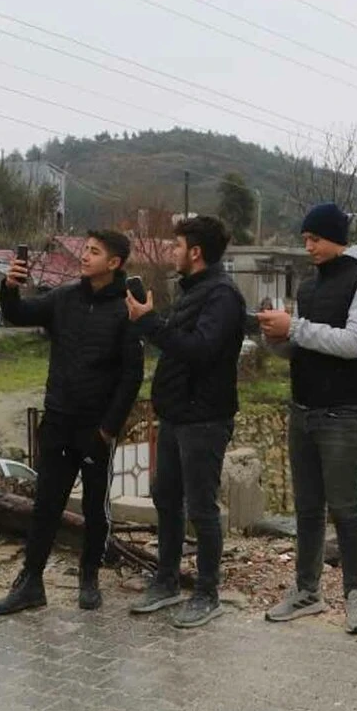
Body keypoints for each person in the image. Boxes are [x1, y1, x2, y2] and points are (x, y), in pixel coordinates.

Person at [0, 230, 143, 617]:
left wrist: (108, 429)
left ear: (115, 263)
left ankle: (89, 576)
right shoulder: (64, 298)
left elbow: (132, 376)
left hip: (95, 428)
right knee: (46, 504)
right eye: (86, 250)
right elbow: (18, 314)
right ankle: (31, 582)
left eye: (94, 252)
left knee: (95, 506)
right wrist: (10, 287)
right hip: (58, 419)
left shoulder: (126, 309)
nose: (85, 257)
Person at [256, 202, 357, 635]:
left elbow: (353, 343)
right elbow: (304, 345)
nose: (307, 246)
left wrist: (293, 328)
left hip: (344, 414)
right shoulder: (310, 288)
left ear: (337, 237)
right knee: (308, 509)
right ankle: (307, 591)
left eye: (314, 239)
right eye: (306, 239)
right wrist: (274, 338)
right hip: (303, 409)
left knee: (346, 509)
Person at [125, 216, 246, 628]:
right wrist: (156, 324)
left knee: (201, 507)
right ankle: (167, 580)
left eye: (176, 246)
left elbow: (199, 350)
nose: (171, 252)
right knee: (166, 496)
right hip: (177, 415)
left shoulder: (222, 296)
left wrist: (150, 324)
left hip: (205, 418)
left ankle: (207, 592)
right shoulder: (194, 290)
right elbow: (179, 346)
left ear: (195, 252)